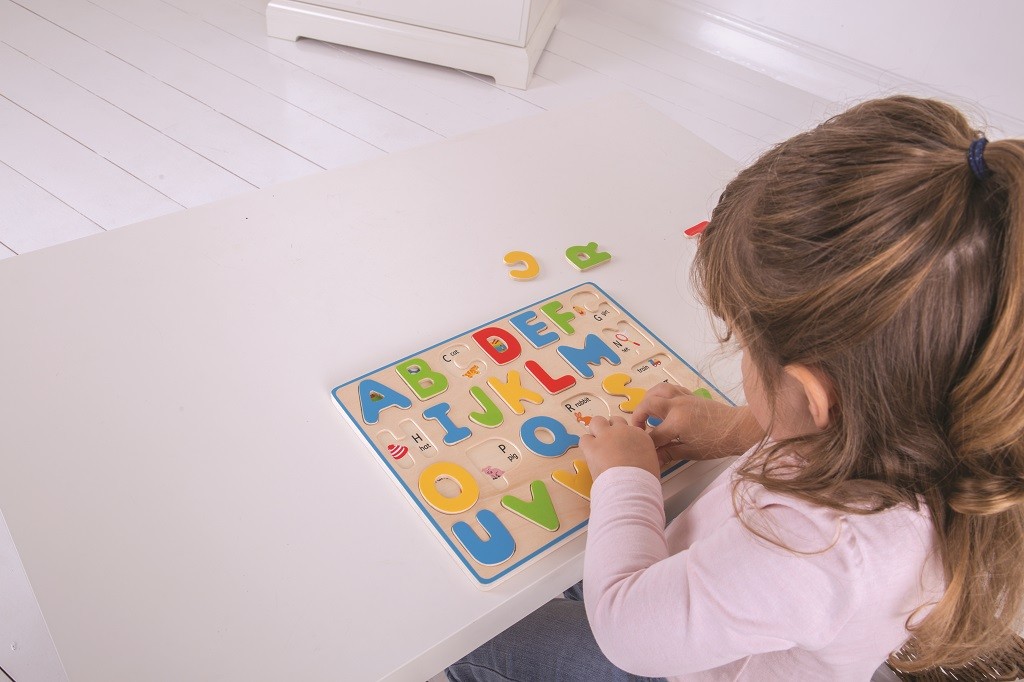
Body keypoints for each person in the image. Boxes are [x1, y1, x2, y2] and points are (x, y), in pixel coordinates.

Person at [446, 95, 1024, 681]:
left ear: (813, 395)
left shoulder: (815, 548)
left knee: (468, 641)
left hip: (671, 660)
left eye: (745, 344)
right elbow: (820, 433)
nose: (741, 354)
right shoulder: (946, 429)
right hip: (716, 603)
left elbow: (627, 632)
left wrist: (626, 479)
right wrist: (733, 427)